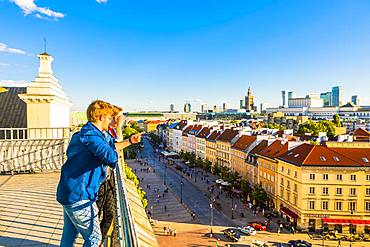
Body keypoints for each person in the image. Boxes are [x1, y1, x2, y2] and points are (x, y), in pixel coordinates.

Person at [56, 100, 141, 247]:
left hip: (69, 190)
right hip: (80, 194)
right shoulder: (90, 137)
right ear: (101, 117)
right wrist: (115, 152)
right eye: (109, 117)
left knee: (69, 236)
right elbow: (112, 156)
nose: (110, 121)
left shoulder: (87, 133)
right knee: (94, 239)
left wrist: (129, 141)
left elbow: (111, 146)